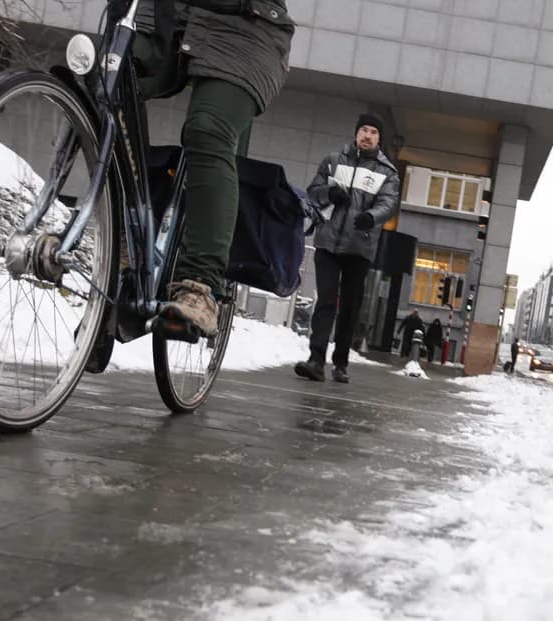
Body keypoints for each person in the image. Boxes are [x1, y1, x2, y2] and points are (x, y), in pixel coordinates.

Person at [129, 0, 295, 342]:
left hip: (247, 26)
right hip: (165, 13)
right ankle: (118, 244)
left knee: (208, 129)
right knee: (105, 82)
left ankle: (199, 288)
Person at [294, 112, 401, 384]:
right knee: (326, 301)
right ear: (356, 133)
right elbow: (313, 190)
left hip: (359, 246)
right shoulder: (333, 160)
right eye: (363, 129)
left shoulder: (387, 172)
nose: (367, 135)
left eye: (373, 132)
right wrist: (328, 193)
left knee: (350, 306)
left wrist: (371, 217)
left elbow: (388, 204)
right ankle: (316, 360)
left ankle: (340, 363)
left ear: (379, 138)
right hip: (328, 242)